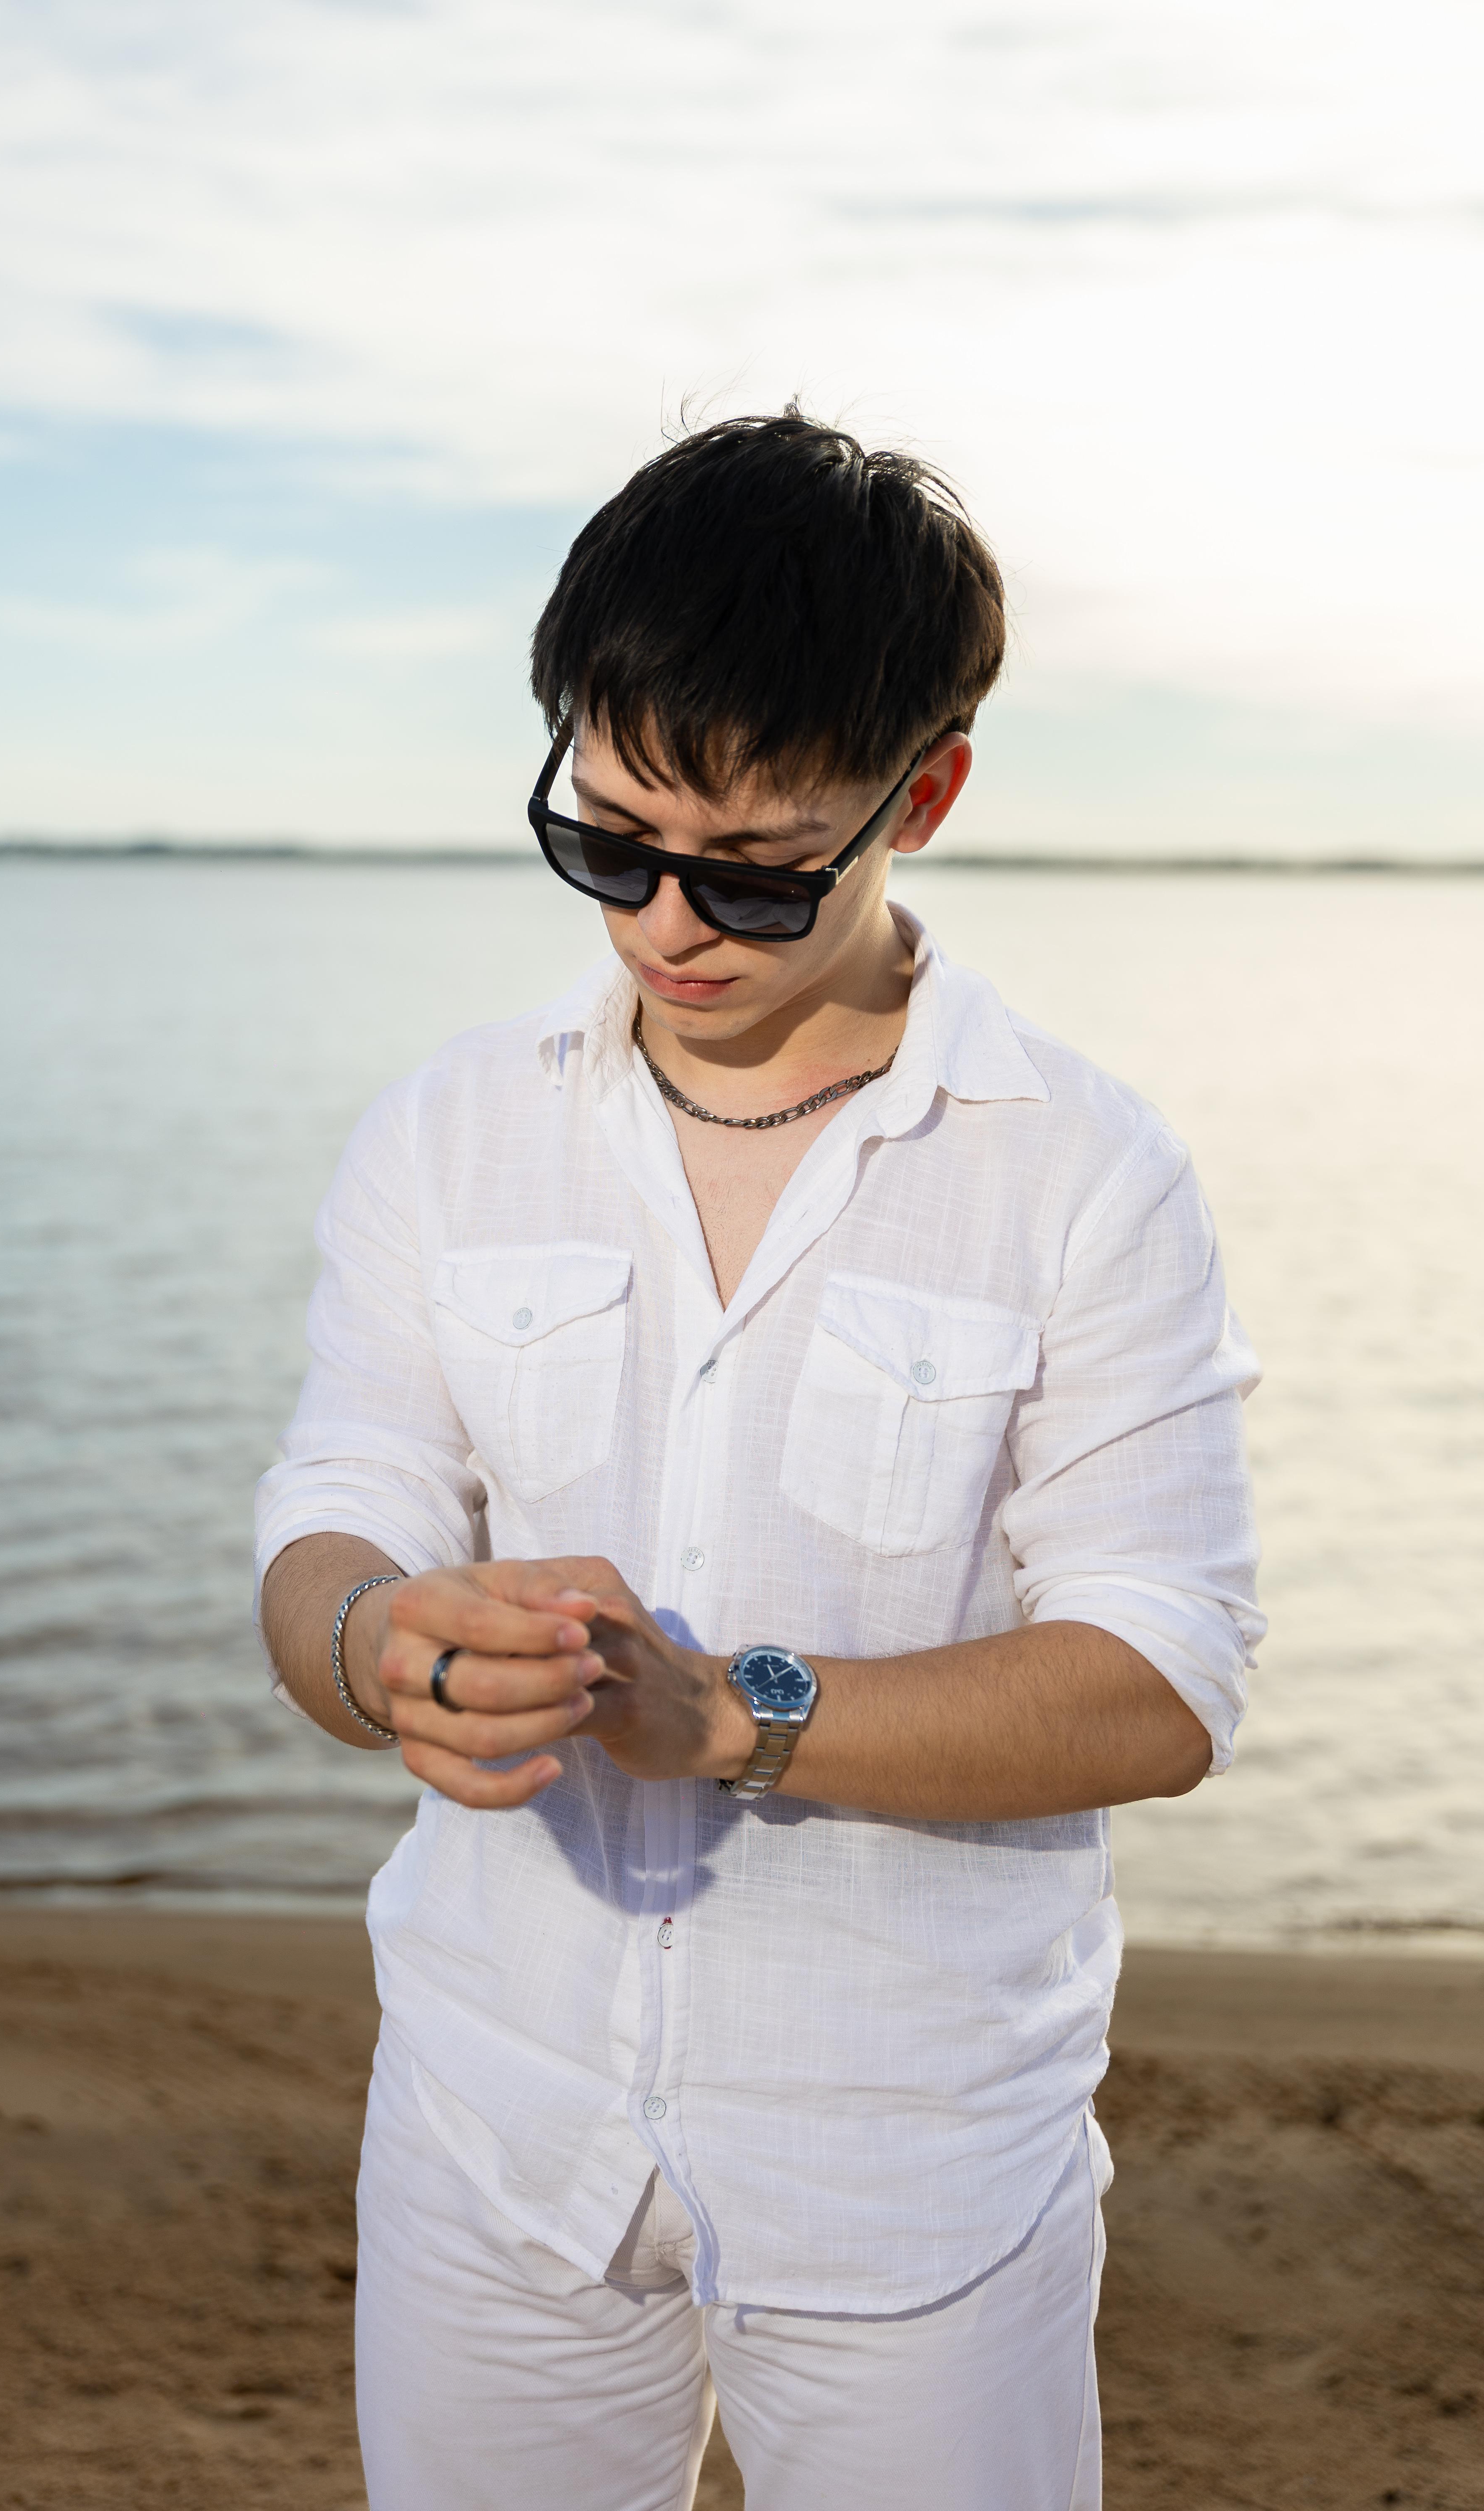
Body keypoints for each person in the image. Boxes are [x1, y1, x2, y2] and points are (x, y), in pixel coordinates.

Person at [254, 409, 1262, 2511]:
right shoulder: (451, 1129)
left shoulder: (1081, 1171)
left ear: (926, 796)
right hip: (489, 2123)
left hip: (913, 2170)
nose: (667, 923)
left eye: (752, 869)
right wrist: (384, 1648)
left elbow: (1161, 1680)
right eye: (606, 840)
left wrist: (725, 1716)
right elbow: (333, 1519)